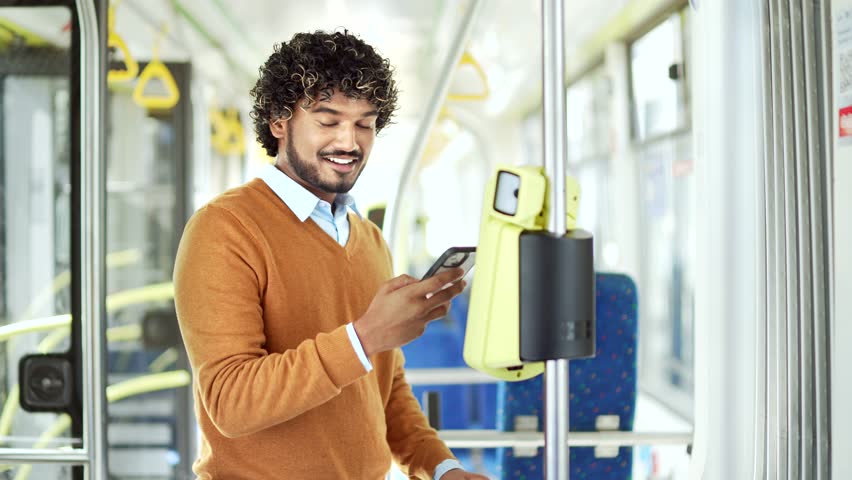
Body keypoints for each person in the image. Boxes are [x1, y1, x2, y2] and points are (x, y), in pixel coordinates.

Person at [173, 30, 488, 480]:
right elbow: (231, 401)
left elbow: (386, 389)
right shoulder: (224, 228)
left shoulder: (371, 240)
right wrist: (362, 338)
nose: (350, 142)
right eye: (328, 120)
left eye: (365, 124)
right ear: (279, 122)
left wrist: (441, 467)